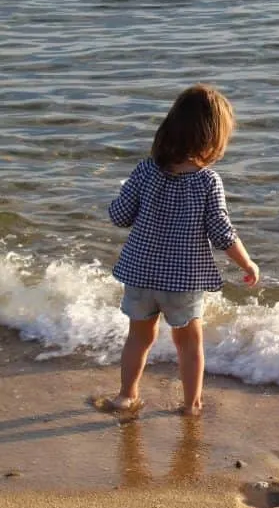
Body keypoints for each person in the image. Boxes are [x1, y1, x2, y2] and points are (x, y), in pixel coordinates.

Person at [104, 84, 259, 417]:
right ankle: (191, 405)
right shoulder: (207, 181)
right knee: (189, 344)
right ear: (213, 138)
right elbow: (222, 232)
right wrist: (247, 263)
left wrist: (121, 200)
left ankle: (126, 395)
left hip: (140, 274)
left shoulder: (146, 170)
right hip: (182, 281)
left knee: (138, 338)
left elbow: (119, 216)